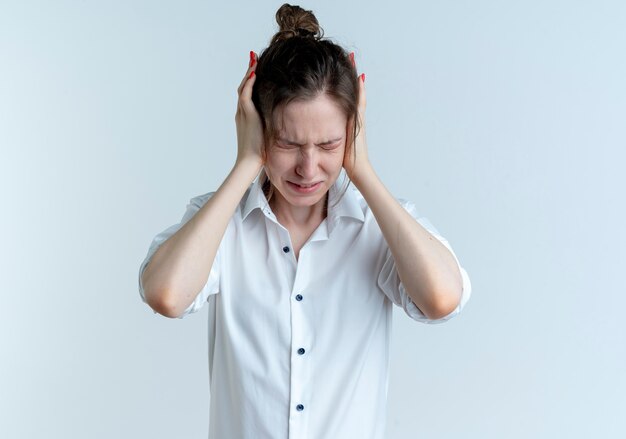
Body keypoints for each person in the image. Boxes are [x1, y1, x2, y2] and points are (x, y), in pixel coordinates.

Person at [138, 3, 471, 438]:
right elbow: (166, 294)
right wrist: (246, 163)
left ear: (353, 130)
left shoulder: (377, 224)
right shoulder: (222, 223)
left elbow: (442, 299)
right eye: (288, 143)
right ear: (257, 127)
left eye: (329, 144)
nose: (308, 168)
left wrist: (361, 170)